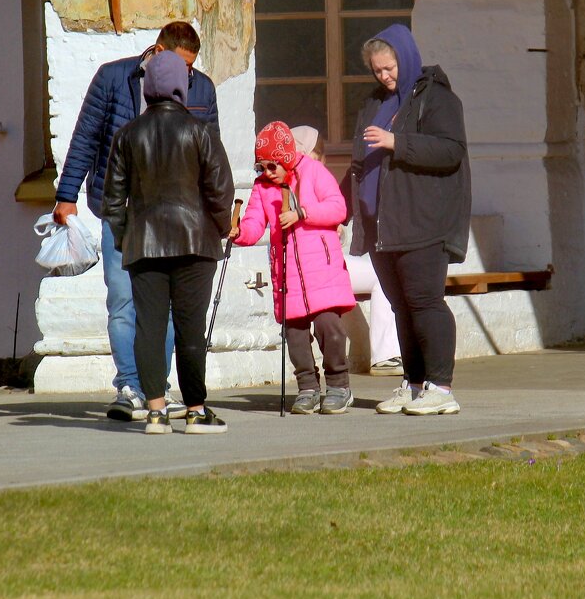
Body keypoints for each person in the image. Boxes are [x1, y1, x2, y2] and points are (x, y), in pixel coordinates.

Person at [53, 22, 220, 422]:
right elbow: (86, 136)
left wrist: (214, 215)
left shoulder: (202, 88)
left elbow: (211, 151)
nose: (187, 75)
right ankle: (130, 386)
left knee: (162, 309)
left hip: (179, 218)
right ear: (158, 51)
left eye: (192, 68)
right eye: (181, 66)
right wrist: (66, 194)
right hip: (124, 210)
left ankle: (156, 392)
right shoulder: (114, 77)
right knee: (124, 300)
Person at [100, 50, 235, 434]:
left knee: (149, 327)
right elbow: (220, 192)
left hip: (144, 246)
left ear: (147, 87)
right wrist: (222, 228)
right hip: (195, 245)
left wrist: (129, 238)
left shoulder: (127, 135)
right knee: (191, 329)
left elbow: (112, 201)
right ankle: (195, 410)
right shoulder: (201, 131)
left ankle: (156, 411)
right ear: (180, 85)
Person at [349, 24, 470, 416]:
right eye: (377, 70)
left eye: (390, 67)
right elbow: (359, 161)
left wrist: (397, 142)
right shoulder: (374, 103)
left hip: (422, 219)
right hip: (383, 225)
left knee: (425, 302)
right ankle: (414, 384)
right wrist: (343, 209)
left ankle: (441, 388)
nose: (384, 76)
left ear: (406, 57)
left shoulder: (436, 98)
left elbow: (450, 151)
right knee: (401, 305)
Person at [230, 122, 357, 414]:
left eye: (272, 165)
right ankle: (308, 388)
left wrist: (302, 213)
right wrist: (239, 234)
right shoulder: (263, 187)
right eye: (261, 166)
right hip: (287, 272)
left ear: (286, 157)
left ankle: (339, 385)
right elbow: (253, 223)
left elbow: (338, 207)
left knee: (330, 328)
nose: (267, 172)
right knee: (295, 334)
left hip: (321, 269)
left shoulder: (314, 172)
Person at [291, 124, 402, 376]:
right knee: (383, 276)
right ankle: (385, 354)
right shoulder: (312, 177)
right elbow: (332, 217)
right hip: (318, 269)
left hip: (304, 269)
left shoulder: (278, 179)